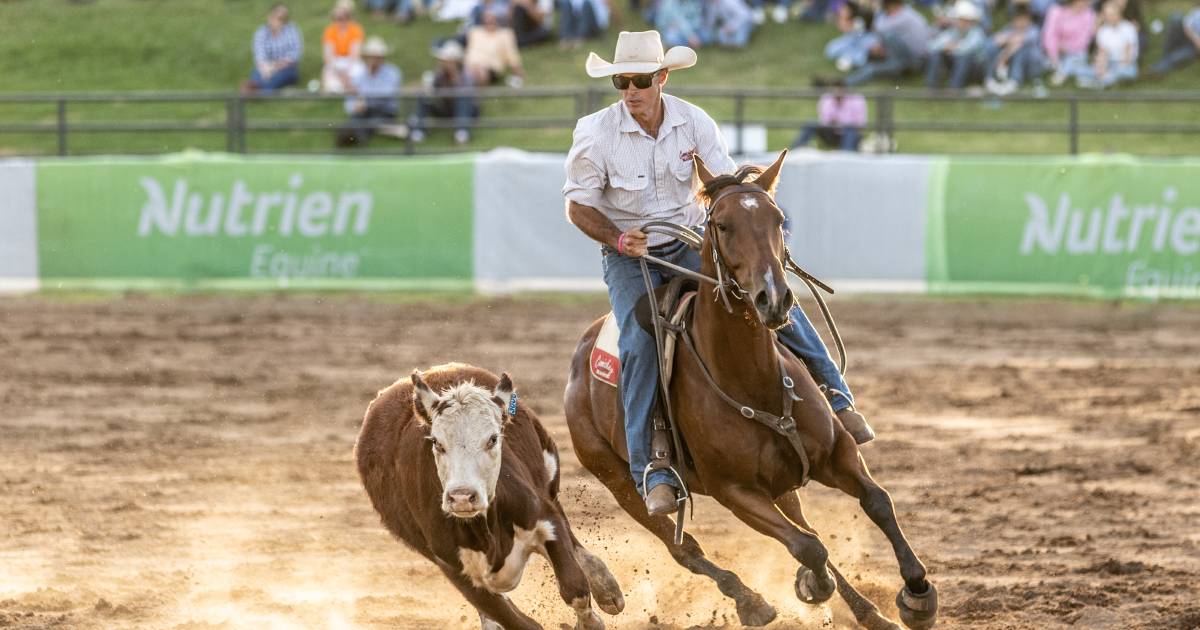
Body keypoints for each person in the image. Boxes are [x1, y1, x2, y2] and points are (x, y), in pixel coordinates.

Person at [563, 30, 875, 516]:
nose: (630, 90)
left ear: (661, 78)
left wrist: (743, 185)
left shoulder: (694, 122)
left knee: (771, 298)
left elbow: (719, 187)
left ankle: (836, 395)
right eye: (622, 81)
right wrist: (619, 239)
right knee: (639, 342)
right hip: (632, 259)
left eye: (640, 79)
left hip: (691, 244)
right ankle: (653, 466)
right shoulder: (595, 133)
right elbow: (578, 207)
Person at [845, 0, 932, 86]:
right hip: (913, 57)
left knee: (873, 66)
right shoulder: (909, 12)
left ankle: (844, 84)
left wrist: (876, 10)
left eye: (884, 4)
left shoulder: (903, 17)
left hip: (912, 62)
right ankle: (854, 65)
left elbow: (879, 28)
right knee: (874, 45)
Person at [410, 40, 481, 145]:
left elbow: (468, 94)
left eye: (448, 61)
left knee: (463, 98)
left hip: (466, 111)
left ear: (456, 61)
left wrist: (454, 76)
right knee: (423, 97)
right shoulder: (439, 74)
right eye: (444, 60)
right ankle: (418, 131)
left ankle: (462, 132)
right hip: (446, 108)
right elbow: (431, 91)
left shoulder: (466, 74)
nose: (445, 63)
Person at [338, 37, 403, 147]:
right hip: (364, 111)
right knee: (357, 119)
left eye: (376, 57)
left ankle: (358, 138)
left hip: (384, 111)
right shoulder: (360, 74)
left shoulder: (392, 72)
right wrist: (354, 106)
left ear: (382, 58)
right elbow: (351, 96)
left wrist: (364, 100)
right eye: (371, 57)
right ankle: (355, 137)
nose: (373, 60)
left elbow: (386, 95)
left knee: (370, 122)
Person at [925, 0, 987, 88]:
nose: (962, 23)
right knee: (937, 54)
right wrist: (944, 47)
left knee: (964, 57)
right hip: (956, 65)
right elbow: (931, 46)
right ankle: (932, 87)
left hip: (975, 70)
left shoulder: (977, 33)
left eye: (965, 20)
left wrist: (953, 47)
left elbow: (967, 48)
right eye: (960, 20)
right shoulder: (951, 32)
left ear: (971, 21)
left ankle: (954, 89)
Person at [1074, 0, 1138, 87]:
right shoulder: (1103, 31)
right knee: (1081, 70)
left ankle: (1101, 82)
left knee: (1124, 72)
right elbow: (1103, 53)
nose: (1109, 17)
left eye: (1112, 14)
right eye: (1107, 15)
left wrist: (1114, 69)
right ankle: (1105, 81)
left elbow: (1128, 56)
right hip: (1109, 63)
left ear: (1119, 13)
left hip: (1125, 65)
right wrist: (1101, 68)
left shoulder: (1128, 28)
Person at [984, 4, 1045, 94]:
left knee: (1021, 48)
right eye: (1017, 19)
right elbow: (996, 40)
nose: (1020, 22)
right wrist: (1003, 41)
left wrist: (1003, 58)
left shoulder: (1034, 31)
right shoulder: (1009, 29)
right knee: (992, 46)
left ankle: (1014, 81)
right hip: (1013, 63)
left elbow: (1018, 42)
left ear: (1029, 20)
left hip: (1033, 67)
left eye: (1023, 19)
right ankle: (990, 78)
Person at [791, 78, 867, 151]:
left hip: (849, 133)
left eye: (839, 88)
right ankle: (794, 150)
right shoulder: (826, 98)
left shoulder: (856, 99)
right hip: (830, 131)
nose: (837, 92)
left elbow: (860, 123)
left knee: (849, 129)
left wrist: (840, 123)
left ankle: (846, 155)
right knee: (811, 123)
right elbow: (824, 119)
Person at [244, 4, 304, 94]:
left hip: (286, 68)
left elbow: (294, 54)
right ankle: (256, 90)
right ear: (270, 16)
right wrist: (265, 68)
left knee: (274, 79)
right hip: (265, 67)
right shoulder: (261, 33)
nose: (279, 21)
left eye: (283, 18)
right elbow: (259, 55)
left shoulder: (292, 30)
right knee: (257, 74)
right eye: (277, 17)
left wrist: (274, 67)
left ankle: (257, 93)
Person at [464, 7, 527, 85]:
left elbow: (511, 54)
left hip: (490, 68)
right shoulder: (475, 32)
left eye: (492, 18)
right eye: (487, 18)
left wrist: (518, 71)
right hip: (469, 67)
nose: (489, 21)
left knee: (478, 72)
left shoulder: (505, 34)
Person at [1043, 0, 1097, 85]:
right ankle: (1079, 75)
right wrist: (1054, 53)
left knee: (1077, 57)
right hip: (1056, 53)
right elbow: (1049, 35)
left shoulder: (1089, 14)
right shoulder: (1055, 11)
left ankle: (1063, 73)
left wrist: (1067, 48)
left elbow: (1084, 40)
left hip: (1077, 53)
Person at [322, 0, 366, 94]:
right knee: (329, 76)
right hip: (336, 61)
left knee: (359, 72)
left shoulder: (356, 29)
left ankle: (347, 87)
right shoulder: (330, 30)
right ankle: (345, 88)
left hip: (351, 62)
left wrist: (346, 71)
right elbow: (328, 55)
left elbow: (355, 54)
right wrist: (338, 71)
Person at [825, 1, 880, 72]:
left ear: (851, 10)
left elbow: (856, 32)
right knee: (831, 50)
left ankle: (853, 59)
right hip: (850, 41)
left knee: (861, 53)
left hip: (863, 40)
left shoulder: (858, 20)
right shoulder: (842, 20)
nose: (842, 10)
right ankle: (848, 58)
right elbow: (844, 30)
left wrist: (844, 19)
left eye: (845, 9)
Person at [1148, 6, 1200, 76]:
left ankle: (1158, 69)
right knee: (1176, 17)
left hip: (1193, 47)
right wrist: (1194, 37)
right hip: (1187, 35)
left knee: (1177, 56)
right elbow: (1187, 24)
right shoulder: (1197, 12)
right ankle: (1168, 51)